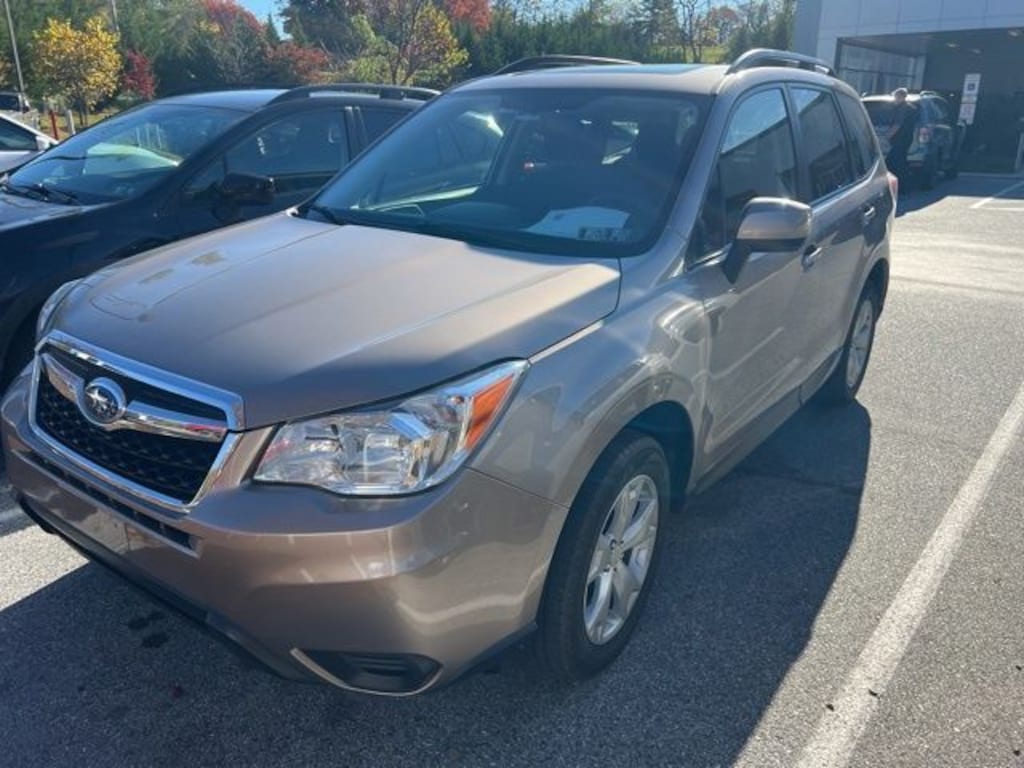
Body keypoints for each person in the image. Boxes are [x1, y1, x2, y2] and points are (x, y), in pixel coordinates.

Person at [886, 87, 917, 183]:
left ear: (901, 97)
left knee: (892, 162)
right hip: (906, 138)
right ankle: (905, 184)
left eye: (895, 97)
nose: (894, 99)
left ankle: (901, 185)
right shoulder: (911, 108)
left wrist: (887, 136)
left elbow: (897, 124)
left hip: (900, 139)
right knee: (901, 161)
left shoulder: (902, 108)